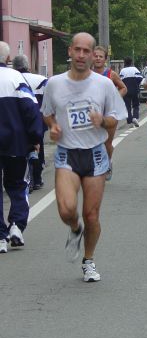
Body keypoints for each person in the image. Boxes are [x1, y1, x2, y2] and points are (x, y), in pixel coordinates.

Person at [42, 32, 117, 282]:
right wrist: (52, 126)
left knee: (92, 214)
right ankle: (75, 230)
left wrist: (102, 120)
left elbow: (115, 118)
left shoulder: (103, 84)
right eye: (78, 50)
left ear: (94, 54)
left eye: (87, 51)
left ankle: (89, 260)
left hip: (95, 154)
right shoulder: (54, 83)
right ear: (70, 52)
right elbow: (47, 112)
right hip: (66, 153)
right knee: (66, 210)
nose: (82, 55)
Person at [0, 42, 42, 254]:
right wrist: (35, 137)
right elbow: (31, 110)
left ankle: (0, 237)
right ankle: (16, 225)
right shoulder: (16, 78)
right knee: (17, 184)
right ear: (8, 60)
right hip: (15, 143)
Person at [12, 54, 48, 191]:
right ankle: (37, 178)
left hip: (17, 122)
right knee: (39, 148)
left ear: (14, 67)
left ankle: (25, 178)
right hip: (38, 121)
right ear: (28, 66)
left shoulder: (11, 80)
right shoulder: (41, 80)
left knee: (20, 151)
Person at [93, 46, 127, 181]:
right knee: (93, 142)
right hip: (93, 113)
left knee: (107, 142)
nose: (98, 58)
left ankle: (108, 163)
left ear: (105, 59)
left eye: (101, 56)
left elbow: (124, 88)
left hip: (110, 113)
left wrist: (115, 97)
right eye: (95, 56)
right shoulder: (87, 74)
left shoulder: (111, 74)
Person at [120, 57, 143, 127]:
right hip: (135, 89)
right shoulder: (134, 69)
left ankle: (129, 120)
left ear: (124, 63)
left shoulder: (122, 71)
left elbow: (120, 80)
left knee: (127, 106)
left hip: (126, 90)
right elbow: (140, 77)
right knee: (136, 105)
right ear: (131, 62)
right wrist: (136, 83)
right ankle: (135, 117)